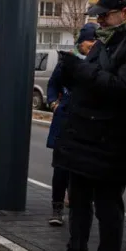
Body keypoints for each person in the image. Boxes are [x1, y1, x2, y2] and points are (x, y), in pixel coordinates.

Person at [39, 0, 126, 251]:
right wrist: (71, 72)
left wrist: (80, 70)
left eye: (104, 15)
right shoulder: (110, 39)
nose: (99, 20)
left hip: (113, 138)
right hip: (83, 132)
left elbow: (124, 88)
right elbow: (92, 76)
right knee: (78, 200)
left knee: (107, 205)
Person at [45, 23, 98, 227]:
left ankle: (78, 205)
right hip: (65, 118)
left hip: (87, 122)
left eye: (96, 41)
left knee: (83, 168)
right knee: (60, 167)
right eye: (89, 41)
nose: (92, 45)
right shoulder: (68, 61)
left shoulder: (100, 61)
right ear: (80, 42)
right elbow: (53, 84)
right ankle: (57, 208)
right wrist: (53, 103)